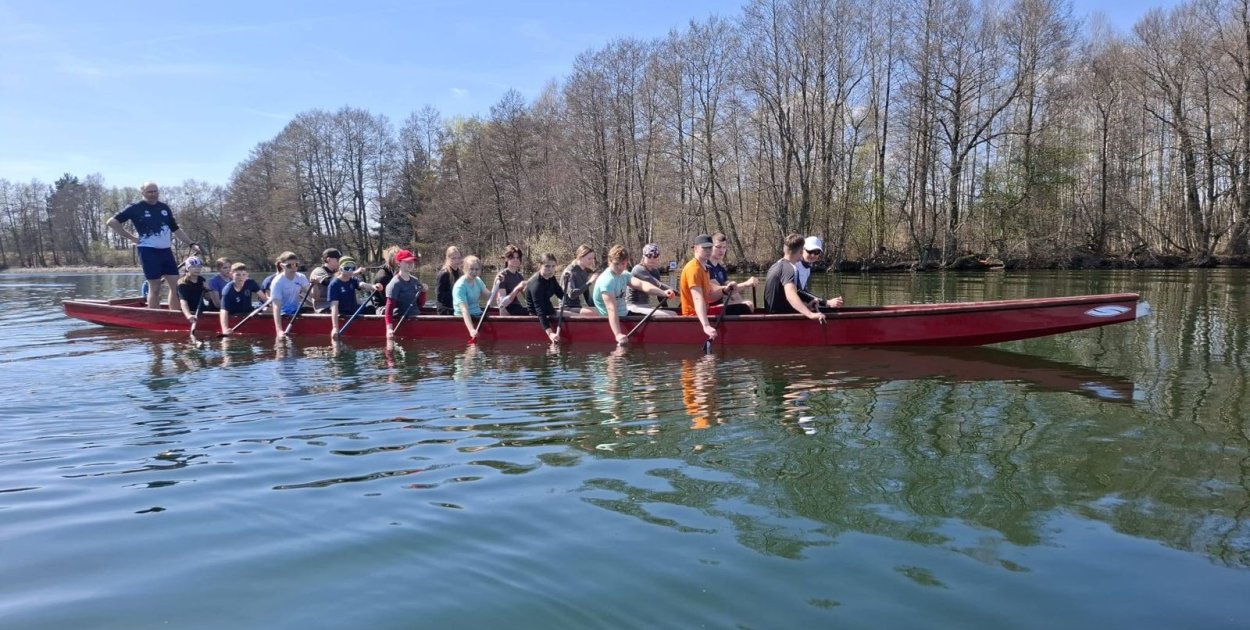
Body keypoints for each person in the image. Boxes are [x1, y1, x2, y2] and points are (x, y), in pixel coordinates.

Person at [105, 181, 201, 310]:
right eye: (150, 192)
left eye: (155, 191)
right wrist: (132, 238)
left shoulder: (164, 208)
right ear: (142, 192)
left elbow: (176, 229)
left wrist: (191, 243)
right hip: (148, 251)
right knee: (155, 288)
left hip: (166, 251)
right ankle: (155, 315)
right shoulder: (135, 208)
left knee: (177, 286)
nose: (153, 194)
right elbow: (111, 222)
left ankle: (175, 315)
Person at [593, 245, 670, 345]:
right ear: (610, 261)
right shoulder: (606, 280)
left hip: (625, 315)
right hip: (611, 318)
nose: (621, 267)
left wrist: (662, 293)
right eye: (617, 264)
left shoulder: (625, 275)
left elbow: (642, 284)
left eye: (624, 263)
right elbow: (612, 309)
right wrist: (618, 334)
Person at [763, 234, 828, 323]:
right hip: (780, 319)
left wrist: (807, 307)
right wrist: (810, 314)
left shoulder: (774, 266)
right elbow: (790, 295)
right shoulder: (790, 268)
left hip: (773, 315)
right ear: (801, 252)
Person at [678, 234, 721, 340]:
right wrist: (706, 325)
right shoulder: (694, 269)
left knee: (746, 305)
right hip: (693, 315)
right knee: (743, 308)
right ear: (696, 248)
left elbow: (709, 296)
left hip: (704, 311)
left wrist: (725, 290)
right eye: (705, 247)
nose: (708, 250)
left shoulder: (705, 268)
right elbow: (698, 299)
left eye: (710, 247)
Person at [708, 233, 757, 315]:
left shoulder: (721, 269)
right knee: (746, 305)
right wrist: (746, 284)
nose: (722, 250)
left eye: (724, 247)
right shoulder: (707, 267)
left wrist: (740, 302)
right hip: (708, 309)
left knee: (748, 304)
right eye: (718, 247)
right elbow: (720, 290)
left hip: (718, 308)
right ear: (710, 247)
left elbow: (734, 294)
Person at [627, 243, 677, 318]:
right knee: (673, 315)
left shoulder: (655, 271)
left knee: (673, 312)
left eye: (655, 256)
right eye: (649, 256)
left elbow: (660, 294)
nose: (652, 258)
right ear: (643, 256)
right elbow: (658, 285)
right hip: (633, 307)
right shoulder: (638, 270)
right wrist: (681, 294)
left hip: (646, 306)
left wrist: (665, 308)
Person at [795, 236, 845, 309]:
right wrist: (826, 302)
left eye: (816, 252)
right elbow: (797, 292)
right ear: (802, 250)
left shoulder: (808, 268)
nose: (813, 255)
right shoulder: (794, 266)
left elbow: (803, 291)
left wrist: (816, 303)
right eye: (810, 251)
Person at [269, 251, 311, 338]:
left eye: (296, 265)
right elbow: (276, 307)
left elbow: (314, 296)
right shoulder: (278, 282)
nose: (293, 268)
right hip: (282, 313)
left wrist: (315, 285)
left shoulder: (301, 277)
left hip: (295, 311)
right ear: (282, 266)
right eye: (289, 265)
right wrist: (279, 330)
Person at [526, 252, 566, 343]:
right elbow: (539, 310)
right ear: (540, 265)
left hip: (550, 311)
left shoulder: (551, 278)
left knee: (577, 312)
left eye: (553, 266)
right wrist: (550, 333)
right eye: (547, 266)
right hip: (537, 316)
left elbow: (561, 294)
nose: (551, 269)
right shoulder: (536, 284)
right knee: (577, 315)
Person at [385, 249, 424, 339]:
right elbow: (389, 310)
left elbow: (420, 304)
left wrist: (423, 293)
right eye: (407, 262)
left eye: (412, 261)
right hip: (403, 319)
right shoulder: (394, 284)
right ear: (399, 263)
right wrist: (389, 329)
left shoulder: (415, 281)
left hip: (416, 316)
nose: (410, 264)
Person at [218, 262, 268, 332]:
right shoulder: (227, 290)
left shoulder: (251, 282)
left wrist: (269, 307)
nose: (241, 277)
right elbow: (223, 311)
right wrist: (225, 329)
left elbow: (264, 298)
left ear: (247, 275)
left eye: (244, 274)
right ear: (231, 275)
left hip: (249, 313)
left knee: (268, 309)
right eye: (237, 275)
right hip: (235, 315)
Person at [328, 256, 366, 338]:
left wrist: (374, 286)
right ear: (341, 269)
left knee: (370, 308)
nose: (350, 271)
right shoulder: (334, 284)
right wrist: (335, 328)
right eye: (347, 268)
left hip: (354, 311)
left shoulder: (353, 279)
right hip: (344, 314)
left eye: (353, 268)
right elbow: (334, 307)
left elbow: (362, 284)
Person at [453, 255, 489, 339]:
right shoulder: (460, 286)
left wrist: (497, 283)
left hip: (477, 313)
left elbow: (489, 295)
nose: (474, 272)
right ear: (465, 269)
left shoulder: (478, 280)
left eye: (476, 269)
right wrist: (471, 330)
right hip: (463, 316)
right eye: (471, 269)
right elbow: (464, 310)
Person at [561, 245, 599, 315]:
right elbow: (572, 295)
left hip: (577, 306)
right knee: (592, 313)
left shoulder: (584, 271)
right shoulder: (570, 272)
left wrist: (598, 307)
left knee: (602, 310)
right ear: (580, 257)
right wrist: (590, 282)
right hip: (567, 308)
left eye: (593, 258)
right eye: (589, 259)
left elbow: (587, 296)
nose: (592, 261)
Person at [175, 256, 212, 326]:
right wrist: (188, 315)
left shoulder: (202, 280)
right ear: (187, 268)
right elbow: (183, 302)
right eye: (194, 267)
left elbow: (208, 298)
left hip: (201, 309)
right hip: (190, 311)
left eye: (199, 266)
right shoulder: (182, 283)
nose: (197, 269)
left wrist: (208, 289)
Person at [494, 244, 529, 316]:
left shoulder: (519, 277)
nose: (516, 260)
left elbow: (528, 298)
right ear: (507, 259)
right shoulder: (501, 276)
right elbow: (502, 303)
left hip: (517, 307)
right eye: (512, 258)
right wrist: (517, 289)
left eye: (517, 257)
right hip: (507, 310)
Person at [370, 246, 401, 314]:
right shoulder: (383, 277)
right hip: (382, 307)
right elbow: (388, 299)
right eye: (400, 259)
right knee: (399, 311)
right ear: (392, 260)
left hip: (394, 304)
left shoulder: (397, 272)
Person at [435, 246, 464, 315]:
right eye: (453, 258)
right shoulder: (444, 273)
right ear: (447, 258)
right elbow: (439, 296)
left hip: (455, 305)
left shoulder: (461, 273)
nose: (457, 260)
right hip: (445, 308)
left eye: (458, 258)